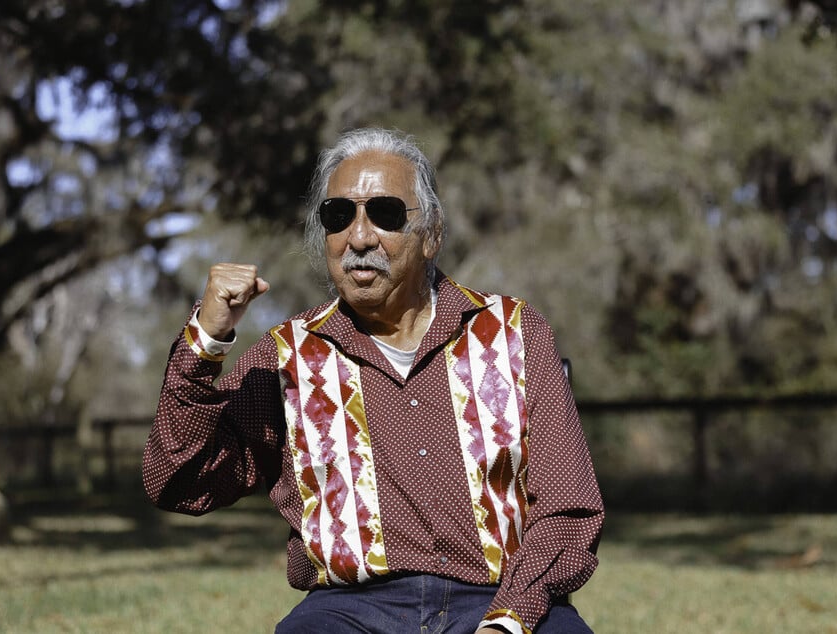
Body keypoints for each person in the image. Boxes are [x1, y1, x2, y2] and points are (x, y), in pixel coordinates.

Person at [142, 128, 604, 634]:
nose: (359, 237)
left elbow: (567, 507)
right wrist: (206, 339)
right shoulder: (287, 358)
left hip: (502, 597)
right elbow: (177, 480)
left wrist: (509, 620)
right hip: (347, 610)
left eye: (384, 213)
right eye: (339, 216)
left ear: (431, 236)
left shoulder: (514, 332)